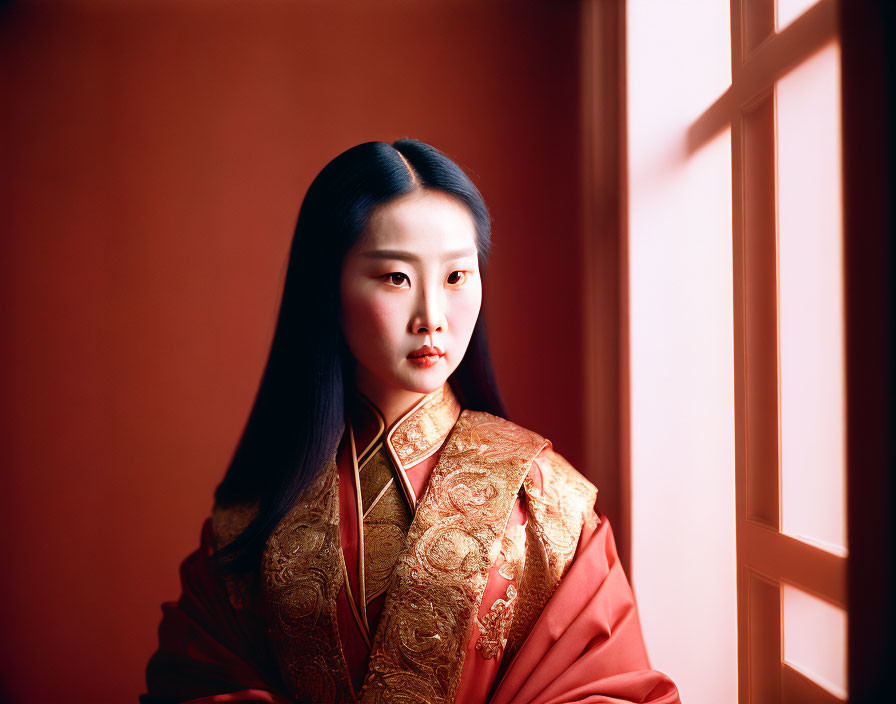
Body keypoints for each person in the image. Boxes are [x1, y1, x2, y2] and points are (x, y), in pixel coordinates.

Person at [140, 139, 681, 704]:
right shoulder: (260, 506)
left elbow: (607, 689)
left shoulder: (546, 502)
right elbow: (195, 681)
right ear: (328, 288)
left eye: (455, 277)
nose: (432, 318)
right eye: (396, 277)